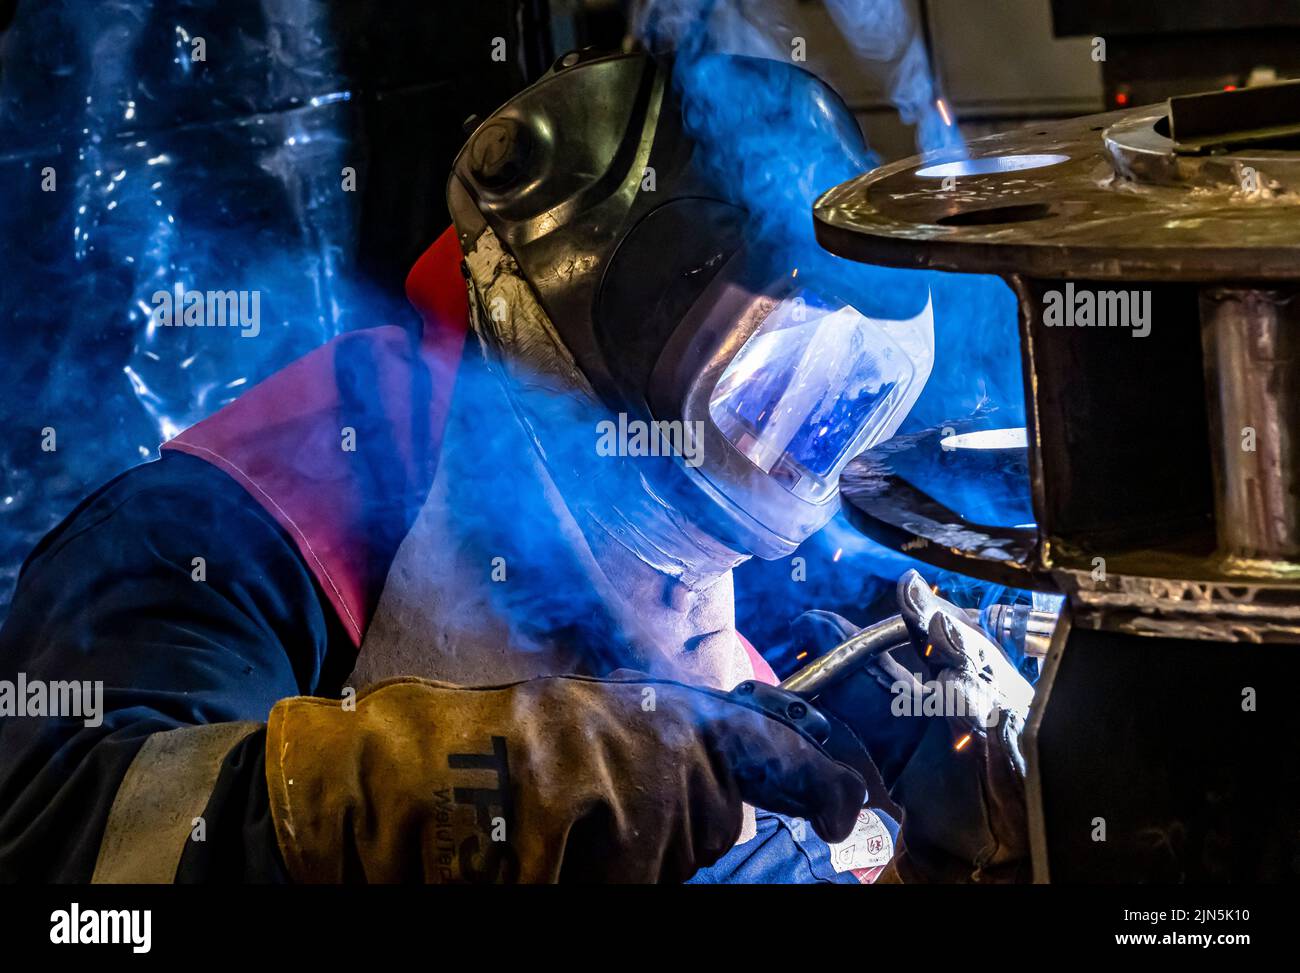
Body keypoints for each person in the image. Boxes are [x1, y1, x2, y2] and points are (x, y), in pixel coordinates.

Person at [0, 49, 1030, 884]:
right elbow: (77, 845)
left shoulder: (700, 480)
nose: (703, 586)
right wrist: (495, 790)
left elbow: (754, 653)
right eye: (777, 398)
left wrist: (914, 739)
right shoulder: (200, 542)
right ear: (563, 396)